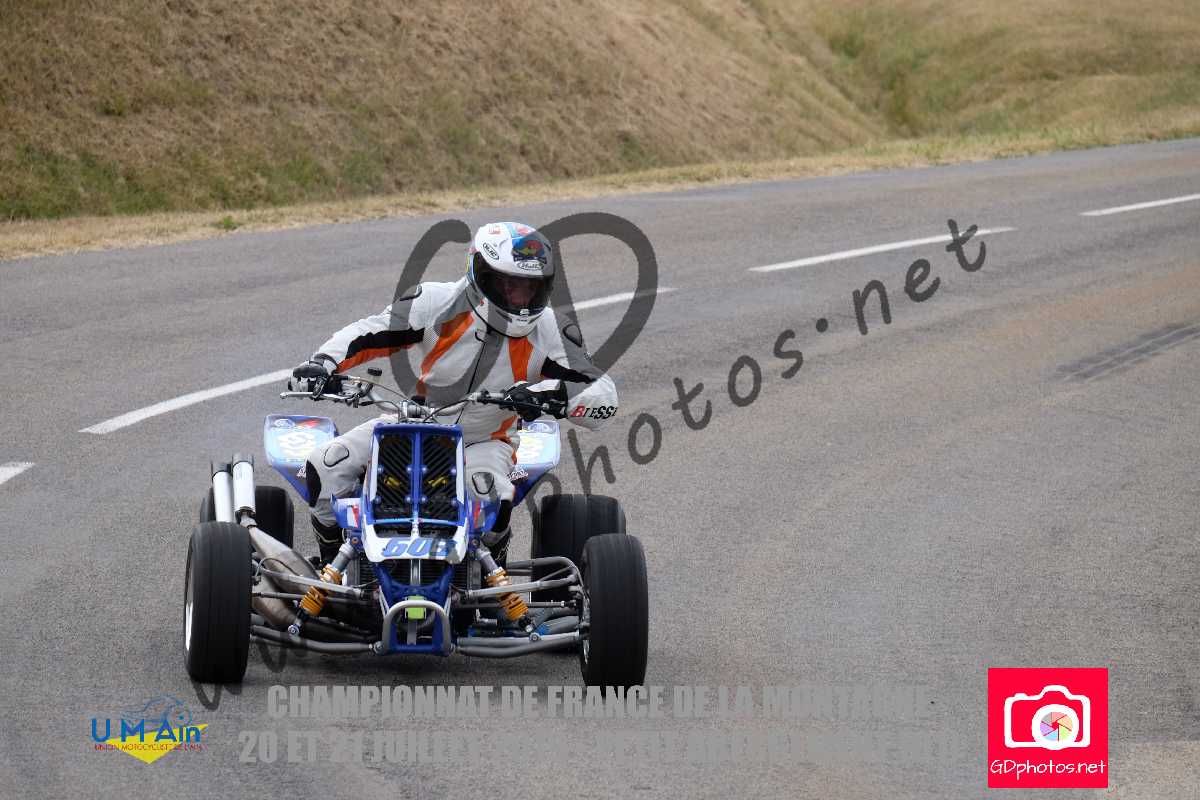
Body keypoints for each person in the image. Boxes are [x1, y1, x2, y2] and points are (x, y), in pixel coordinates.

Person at [293, 222, 619, 563]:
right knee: (325, 465)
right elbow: (370, 331)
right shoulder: (435, 301)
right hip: (411, 424)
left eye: (530, 288)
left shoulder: (552, 329)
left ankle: (490, 574)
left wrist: (549, 393)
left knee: (489, 495)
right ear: (481, 275)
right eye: (510, 285)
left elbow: (602, 391)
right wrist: (322, 363)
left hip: (485, 439)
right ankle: (332, 566)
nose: (520, 298)